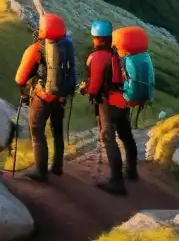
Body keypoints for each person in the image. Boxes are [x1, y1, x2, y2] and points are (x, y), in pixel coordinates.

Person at [14, 12, 76, 183]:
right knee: (57, 131)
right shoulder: (67, 44)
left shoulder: (36, 49)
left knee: (37, 133)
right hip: (61, 96)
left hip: (43, 97)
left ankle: (40, 171)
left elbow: (19, 78)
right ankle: (57, 167)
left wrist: (31, 86)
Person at [80, 19, 139, 195]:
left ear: (97, 38)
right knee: (126, 136)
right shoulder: (116, 54)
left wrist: (85, 89)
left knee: (109, 139)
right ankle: (132, 171)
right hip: (123, 100)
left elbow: (94, 87)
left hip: (108, 104)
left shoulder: (97, 57)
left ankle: (116, 182)